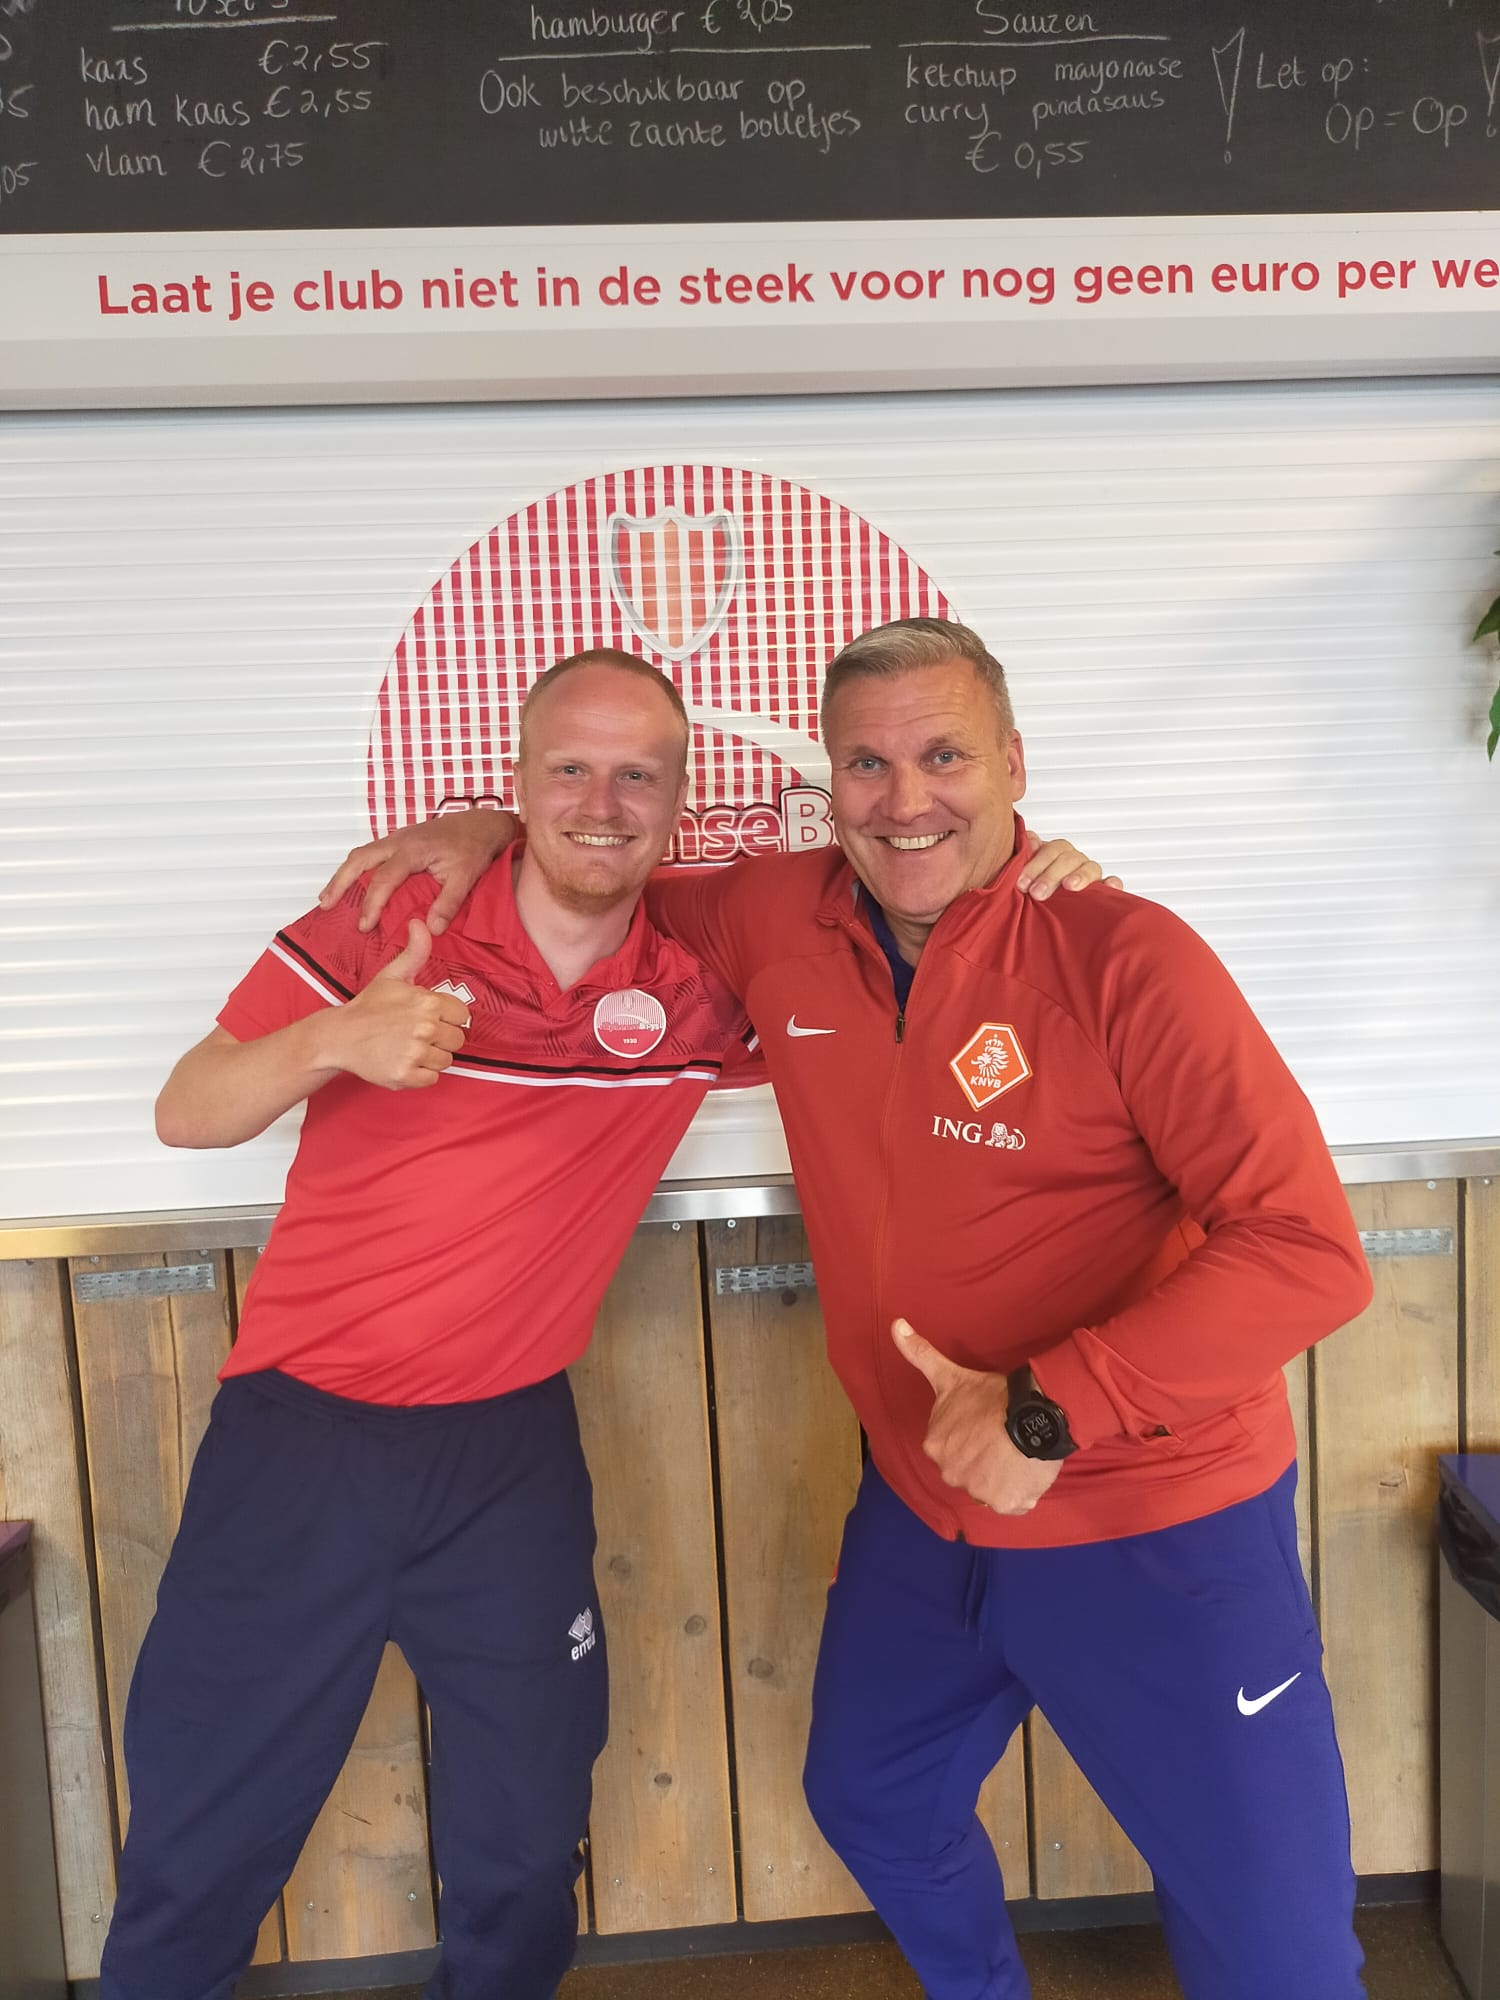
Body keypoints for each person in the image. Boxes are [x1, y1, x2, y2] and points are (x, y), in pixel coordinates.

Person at [332, 618, 1375, 2000]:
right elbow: (609, 870)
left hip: (1153, 1520)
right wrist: (487, 828)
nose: (905, 799)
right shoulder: (781, 914)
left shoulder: (1127, 954)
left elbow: (1309, 1250)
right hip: (924, 1508)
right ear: (829, 783)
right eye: (867, 766)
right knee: (876, 1796)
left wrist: (1050, 1409)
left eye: (946, 757)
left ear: (1013, 765)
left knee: (1278, 1949)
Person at [107, 646, 1101, 2000]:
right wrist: (332, 1042)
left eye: (638, 776)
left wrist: (1044, 878)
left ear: (680, 801)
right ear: (515, 781)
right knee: (204, 1829)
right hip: (303, 1441)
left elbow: (914, 907)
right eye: (569, 768)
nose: (601, 802)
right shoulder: (398, 917)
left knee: (526, 1841)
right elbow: (189, 1108)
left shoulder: (700, 970)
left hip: (507, 1454)